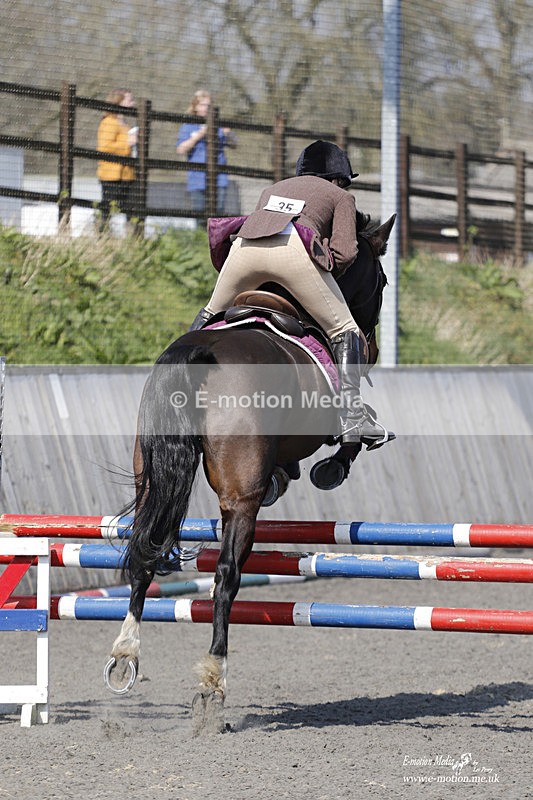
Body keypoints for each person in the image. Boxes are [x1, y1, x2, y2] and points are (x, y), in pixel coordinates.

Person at [189, 140, 393, 449]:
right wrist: (325, 272)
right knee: (346, 329)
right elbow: (347, 252)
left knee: (208, 316)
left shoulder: (272, 189)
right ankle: (352, 415)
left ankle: (173, 386)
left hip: (243, 251)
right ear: (338, 178)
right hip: (294, 253)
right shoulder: (341, 196)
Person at [176, 89, 235, 221]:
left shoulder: (218, 125)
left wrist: (228, 134)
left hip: (219, 177)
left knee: (218, 215)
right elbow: (180, 149)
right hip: (197, 179)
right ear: (195, 107)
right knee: (200, 216)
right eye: (202, 105)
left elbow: (234, 144)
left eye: (208, 105)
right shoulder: (188, 126)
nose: (206, 108)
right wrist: (200, 135)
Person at [96, 89, 138, 228]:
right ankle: (103, 235)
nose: (133, 103)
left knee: (133, 210)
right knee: (107, 210)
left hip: (127, 175)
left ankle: (133, 239)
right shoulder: (109, 122)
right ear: (119, 102)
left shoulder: (124, 125)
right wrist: (127, 144)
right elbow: (105, 147)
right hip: (111, 175)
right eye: (129, 100)